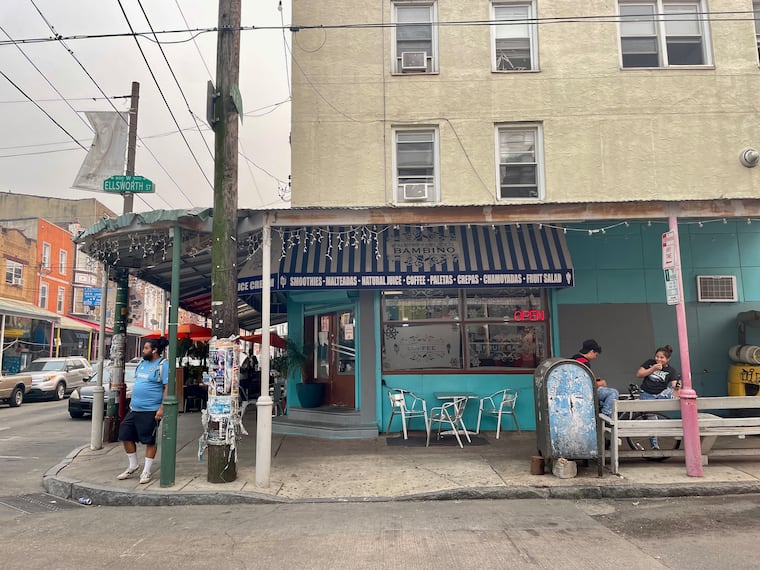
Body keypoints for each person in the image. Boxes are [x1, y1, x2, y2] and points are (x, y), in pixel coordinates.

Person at [116, 337, 169, 484]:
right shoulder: (142, 363)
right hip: (135, 408)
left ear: (154, 350)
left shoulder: (163, 365)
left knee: (149, 440)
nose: (143, 351)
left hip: (151, 409)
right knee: (125, 434)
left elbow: (167, 387)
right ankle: (133, 465)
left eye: (146, 348)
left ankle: (146, 471)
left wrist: (162, 408)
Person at [636, 344, 682, 450]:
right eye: (657, 356)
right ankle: (654, 446)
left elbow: (675, 386)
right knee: (652, 420)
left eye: (662, 357)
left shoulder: (671, 371)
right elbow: (639, 374)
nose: (658, 359)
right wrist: (653, 369)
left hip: (660, 394)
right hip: (646, 393)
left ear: (668, 359)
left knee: (674, 392)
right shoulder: (650, 363)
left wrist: (678, 387)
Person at [571, 339, 619, 417]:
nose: (595, 357)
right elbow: (584, 384)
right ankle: (605, 416)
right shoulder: (584, 363)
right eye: (596, 355)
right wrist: (599, 383)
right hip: (582, 394)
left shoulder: (574, 359)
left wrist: (594, 380)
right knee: (613, 393)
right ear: (591, 351)